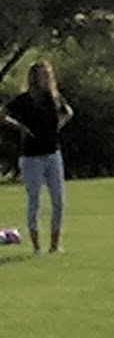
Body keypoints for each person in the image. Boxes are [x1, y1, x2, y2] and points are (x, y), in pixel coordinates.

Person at [2, 60, 73, 255]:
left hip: (52, 153)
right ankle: (36, 246)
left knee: (58, 200)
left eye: (48, 74)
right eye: (43, 74)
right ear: (34, 77)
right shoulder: (23, 100)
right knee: (34, 200)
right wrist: (19, 127)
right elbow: (2, 114)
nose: (46, 78)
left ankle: (54, 245)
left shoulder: (54, 98)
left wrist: (58, 125)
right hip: (31, 156)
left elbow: (68, 112)